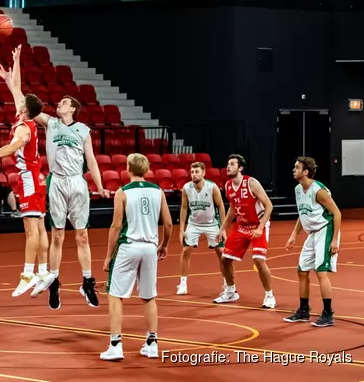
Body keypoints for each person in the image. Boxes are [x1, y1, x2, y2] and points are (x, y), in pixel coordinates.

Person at [0, 45, 110, 308]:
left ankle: (87, 282)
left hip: (77, 181)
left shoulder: (83, 129)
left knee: (82, 236)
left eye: (64, 103)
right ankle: (54, 281)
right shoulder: (50, 122)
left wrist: (100, 186)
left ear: (73, 109)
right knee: (58, 235)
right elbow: (23, 101)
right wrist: (14, 70)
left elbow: (91, 160)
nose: (60, 104)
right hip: (56, 181)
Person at [0, 68, 49, 298]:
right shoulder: (24, 117)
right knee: (40, 226)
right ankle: (44, 271)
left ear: (25, 109)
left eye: (22, 102)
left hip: (29, 180)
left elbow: (12, 148)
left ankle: (29, 273)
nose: (19, 99)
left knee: (30, 228)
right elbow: (16, 89)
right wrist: (14, 67)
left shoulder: (24, 129)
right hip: (36, 179)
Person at [101, 153, 172, 361]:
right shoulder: (158, 191)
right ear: (147, 169)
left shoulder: (122, 192)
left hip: (129, 246)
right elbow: (168, 223)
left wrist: (108, 256)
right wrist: (164, 245)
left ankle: (115, 344)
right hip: (150, 247)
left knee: (115, 295)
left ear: (128, 169)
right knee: (149, 296)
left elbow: (115, 227)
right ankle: (152, 343)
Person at [284, 156, 341, 327]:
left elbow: (337, 213)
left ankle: (328, 313)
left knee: (320, 271)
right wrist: (294, 234)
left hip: (326, 229)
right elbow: (303, 214)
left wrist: (335, 240)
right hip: (313, 233)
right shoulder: (298, 190)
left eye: (297, 167)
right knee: (302, 270)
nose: (294, 170)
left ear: (306, 171)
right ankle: (303, 310)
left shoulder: (319, 191)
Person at [214, 154, 277, 308]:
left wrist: (261, 228)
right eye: (227, 164)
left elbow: (269, 206)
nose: (228, 166)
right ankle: (231, 291)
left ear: (240, 168)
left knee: (258, 260)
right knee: (225, 258)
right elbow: (233, 209)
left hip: (257, 225)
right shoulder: (228, 185)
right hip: (242, 226)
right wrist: (222, 229)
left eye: (232, 164)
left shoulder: (251, 183)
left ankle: (270, 296)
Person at [176, 162, 227, 295]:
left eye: (197, 171)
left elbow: (221, 207)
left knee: (221, 252)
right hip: (194, 223)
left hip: (211, 223)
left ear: (203, 173)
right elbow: (184, 208)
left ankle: (227, 283)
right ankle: (182, 284)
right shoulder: (186, 188)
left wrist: (223, 228)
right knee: (186, 250)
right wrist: (182, 229)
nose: (194, 174)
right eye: (192, 172)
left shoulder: (212, 187)